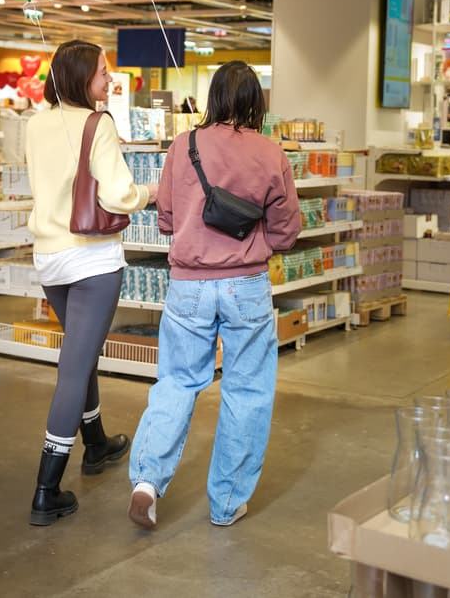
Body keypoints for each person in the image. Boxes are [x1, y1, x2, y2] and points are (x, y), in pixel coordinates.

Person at [128, 60, 301, 530]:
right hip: (246, 286)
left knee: (177, 382)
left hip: (188, 285)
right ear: (255, 102)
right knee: (246, 391)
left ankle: (146, 481)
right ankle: (226, 505)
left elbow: (165, 217)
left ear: (213, 97)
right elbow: (286, 233)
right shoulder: (271, 153)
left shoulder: (182, 146)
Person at [25, 39, 158, 526]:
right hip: (92, 260)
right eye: (104, 72)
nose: (110, 79)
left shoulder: (35, 123)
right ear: (83, 77)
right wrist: (155, 191)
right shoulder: (98, 124)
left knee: (82, 355)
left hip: (50, 258)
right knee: (74, 367)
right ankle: (47, 489)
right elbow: (120, 194)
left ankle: (98, 445)